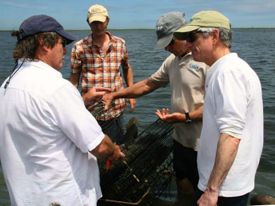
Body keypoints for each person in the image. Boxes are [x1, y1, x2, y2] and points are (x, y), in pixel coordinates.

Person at [0, 15, 124, 206]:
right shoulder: (56, 87)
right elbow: (100, 146)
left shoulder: (7, 86)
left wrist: (80, 102)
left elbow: (40, 121)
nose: (65, 50)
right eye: (62, 43)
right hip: (65, 199)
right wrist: (115, 151)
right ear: (44, 44)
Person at [103, 11, 207, 205]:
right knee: (183, 186)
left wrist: (185, 117)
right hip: (180, 140)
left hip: (204, 144)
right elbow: (148, 84)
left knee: (206, 194)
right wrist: (116, 94)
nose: (167, 48)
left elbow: (216, 107)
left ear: (184, 34)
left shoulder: (205, 61)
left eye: (170, 42)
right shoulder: (172, 61)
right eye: (164, 44)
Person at [175, 10, 263, 206]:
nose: (188, 45)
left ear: (214, 36)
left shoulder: (227, 73)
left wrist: (212, 190)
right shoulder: (227, 69)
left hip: (224, 189)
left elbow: (231, 134)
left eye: (192, 37)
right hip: (227, 184)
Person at [70, 4, 136, 144]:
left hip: (116, 106)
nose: (98, 26)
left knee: (116, 145)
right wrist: (72, 103)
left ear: (107, 21)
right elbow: (74, 79)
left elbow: (127, 68)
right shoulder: (79, 47)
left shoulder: (120, 44)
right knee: (93, 151)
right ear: (88, 22)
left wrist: (131, 92)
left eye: (100, 22)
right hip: (91, 111)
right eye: (94, 23)